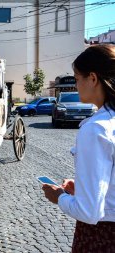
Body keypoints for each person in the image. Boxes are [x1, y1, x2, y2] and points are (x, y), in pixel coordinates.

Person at [42, 44, 115, 252]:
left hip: (101, 236)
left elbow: (89, 211)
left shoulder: (95, 128)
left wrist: (59, 197)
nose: (75, 85)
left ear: (92, 78)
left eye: (76, 78)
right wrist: (83, 187)